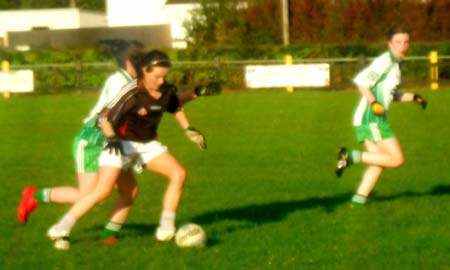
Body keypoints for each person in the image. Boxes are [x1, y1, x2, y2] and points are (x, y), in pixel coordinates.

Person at [17, 40, 220, 245]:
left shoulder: (153, 86)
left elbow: (170, 101)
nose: (161, 80)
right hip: (97, 137)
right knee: (95, 193)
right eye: (155, 74)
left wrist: (195, 95)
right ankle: (55, 219)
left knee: (130, 190)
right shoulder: (125, 85)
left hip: (133, 141)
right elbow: (106, 116)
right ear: (138, 67)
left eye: (164, 76)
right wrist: (112, 137)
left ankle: (113, 236)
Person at [335, 25, 427, 207]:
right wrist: (374, 103)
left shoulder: (395, 66)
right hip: (372, 119)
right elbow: (361, 82)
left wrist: (414, 97)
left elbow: (392, 95)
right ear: (389, 44)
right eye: (398, 42)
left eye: (406, 42)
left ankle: (357, 201)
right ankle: (351, 156)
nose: (403, 46)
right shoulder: (385, 61)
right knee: (397, 159)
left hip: (371, 119)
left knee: (379, 162)